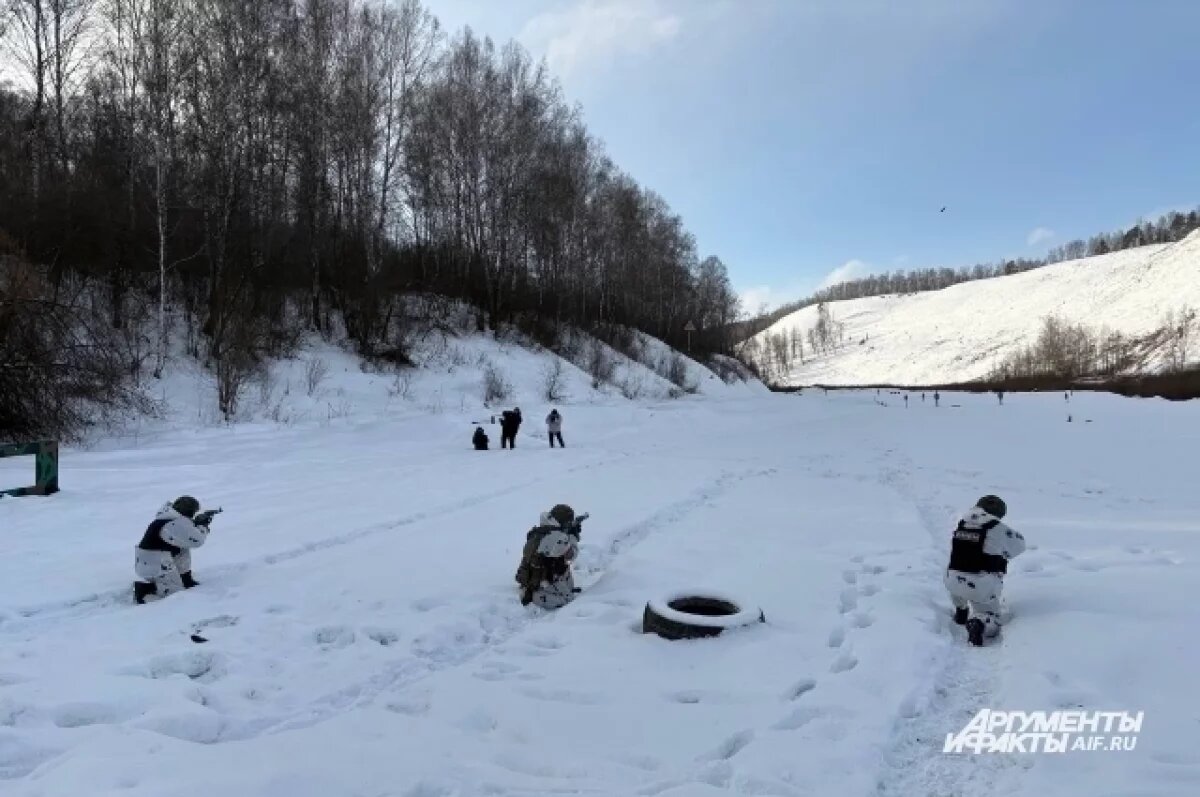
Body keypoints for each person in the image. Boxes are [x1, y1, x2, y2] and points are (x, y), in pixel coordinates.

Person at [944, 495, 1026, 646]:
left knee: (958, 577)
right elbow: (1020, 547)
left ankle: (961, 611)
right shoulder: (998, 527)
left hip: (952, 580)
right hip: (980, 586)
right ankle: (980, 623)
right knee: (992, 617)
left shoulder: (962, 523)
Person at [133, 496, 219, 604]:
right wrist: (203, 526)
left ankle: (185, 578)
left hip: (152, 559)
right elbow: (197, 541)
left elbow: (185, 536)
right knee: (173, 593)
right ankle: (143, 589)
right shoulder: (173, 523)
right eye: (193, 512)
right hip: (153, 563)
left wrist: (195, 523)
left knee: (183, 548)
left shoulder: (169, 518)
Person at [515, 503, 587, 609]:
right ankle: (536, 596)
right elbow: (571, 555)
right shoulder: (557, 537)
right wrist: (573, 536)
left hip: (533, 573)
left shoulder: (542, 530)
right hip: (542, 581)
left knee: (563, 569)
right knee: (568, 599)